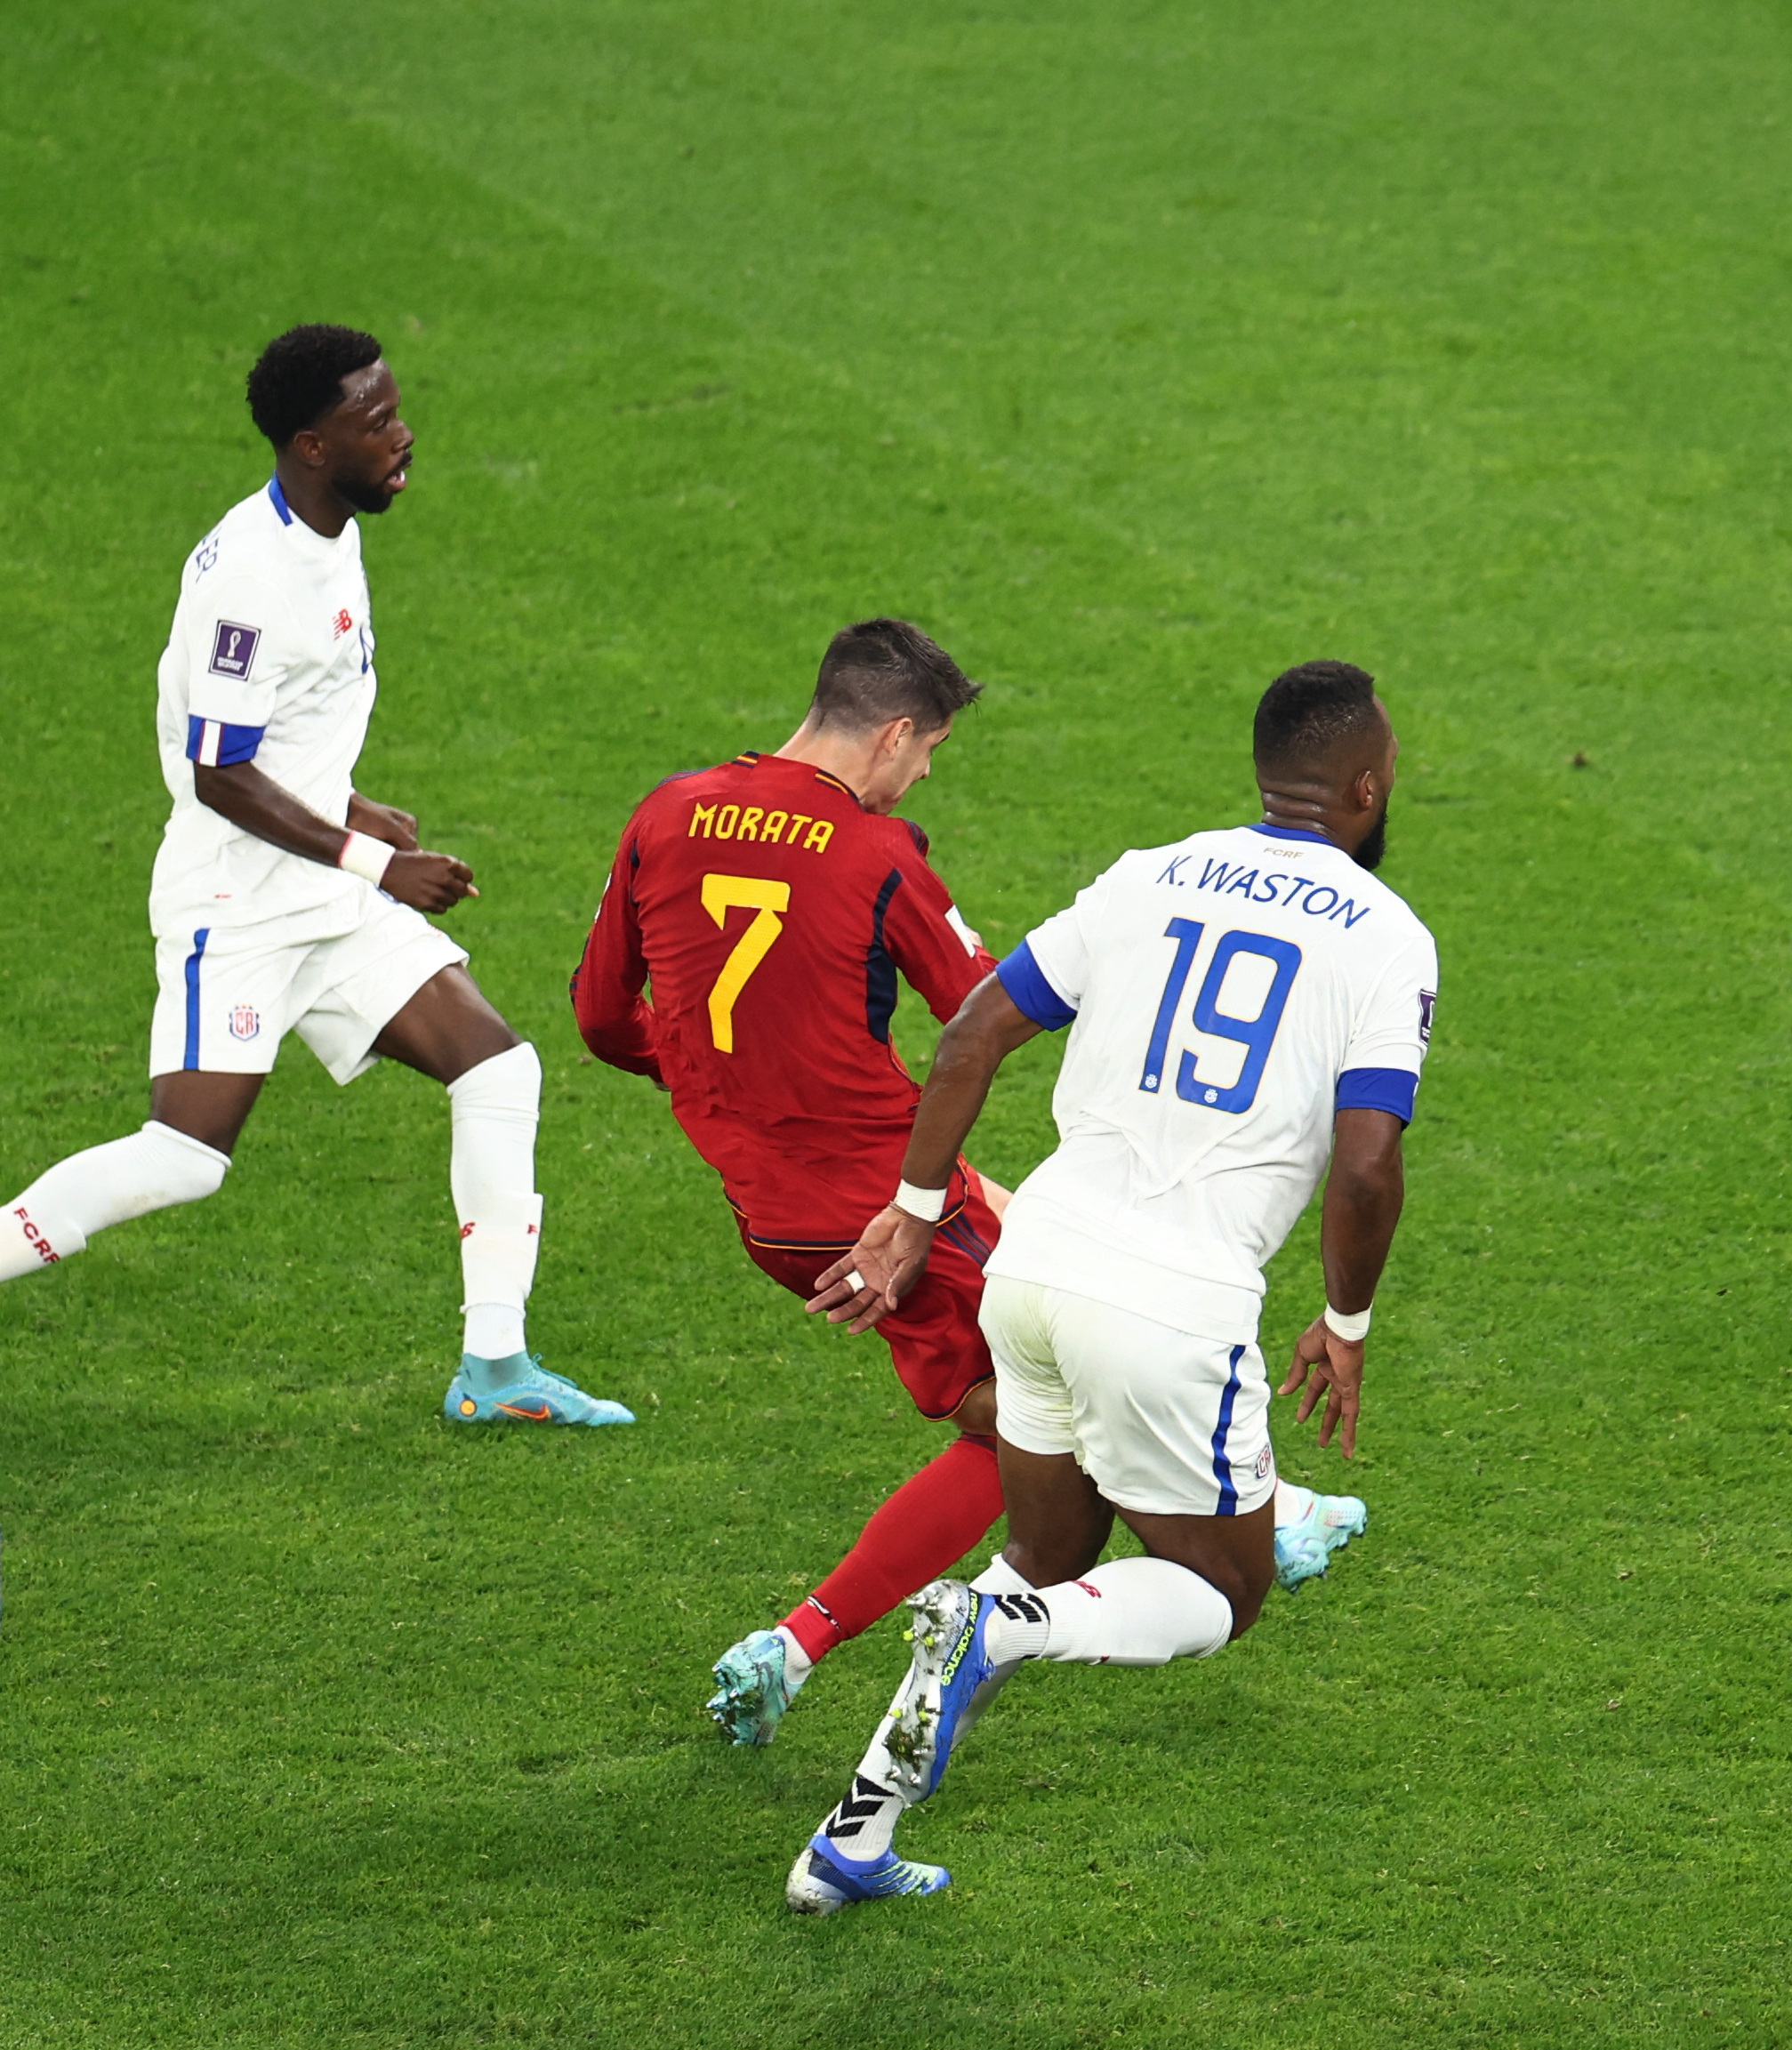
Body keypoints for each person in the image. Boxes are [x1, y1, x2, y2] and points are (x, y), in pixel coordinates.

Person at [571, 623, 1367, 1750]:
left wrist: (719, 1076)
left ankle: (798, 1650)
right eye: (930, 748)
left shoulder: (666, 811)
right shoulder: (874, 854)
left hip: (772, 1216)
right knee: (1058, 1404)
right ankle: (1257, 1523)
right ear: (893, 734)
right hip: (897, 1207)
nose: (927, 772)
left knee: (1025, 1408)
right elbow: (978, 1014)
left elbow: (604, 1020)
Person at [779, 659, 1436, 1913]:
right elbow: (1366, 1160)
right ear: (1365, 787)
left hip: (1029, 1268)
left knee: (1046, 1548)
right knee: (1222, 1590)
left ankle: (852, 1832)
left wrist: (916, 1215)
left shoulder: (1151, 872)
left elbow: (971, 1030)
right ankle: (1000, 1632)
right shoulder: (1387, 937)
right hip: (1167, 1305)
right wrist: (1345, 1322)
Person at [0, 324, 627, 1425]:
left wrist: (349, 804)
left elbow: (281, 738)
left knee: (498, 1071)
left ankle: (494, 1370)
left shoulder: (325, 526)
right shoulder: (253, 576)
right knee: (186, 1158)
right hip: (237, 909)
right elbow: (216, 772)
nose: (403, 435)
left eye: (396, 410)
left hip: (324, 895)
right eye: (375, 422)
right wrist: (376, 856)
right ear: (310, 443)